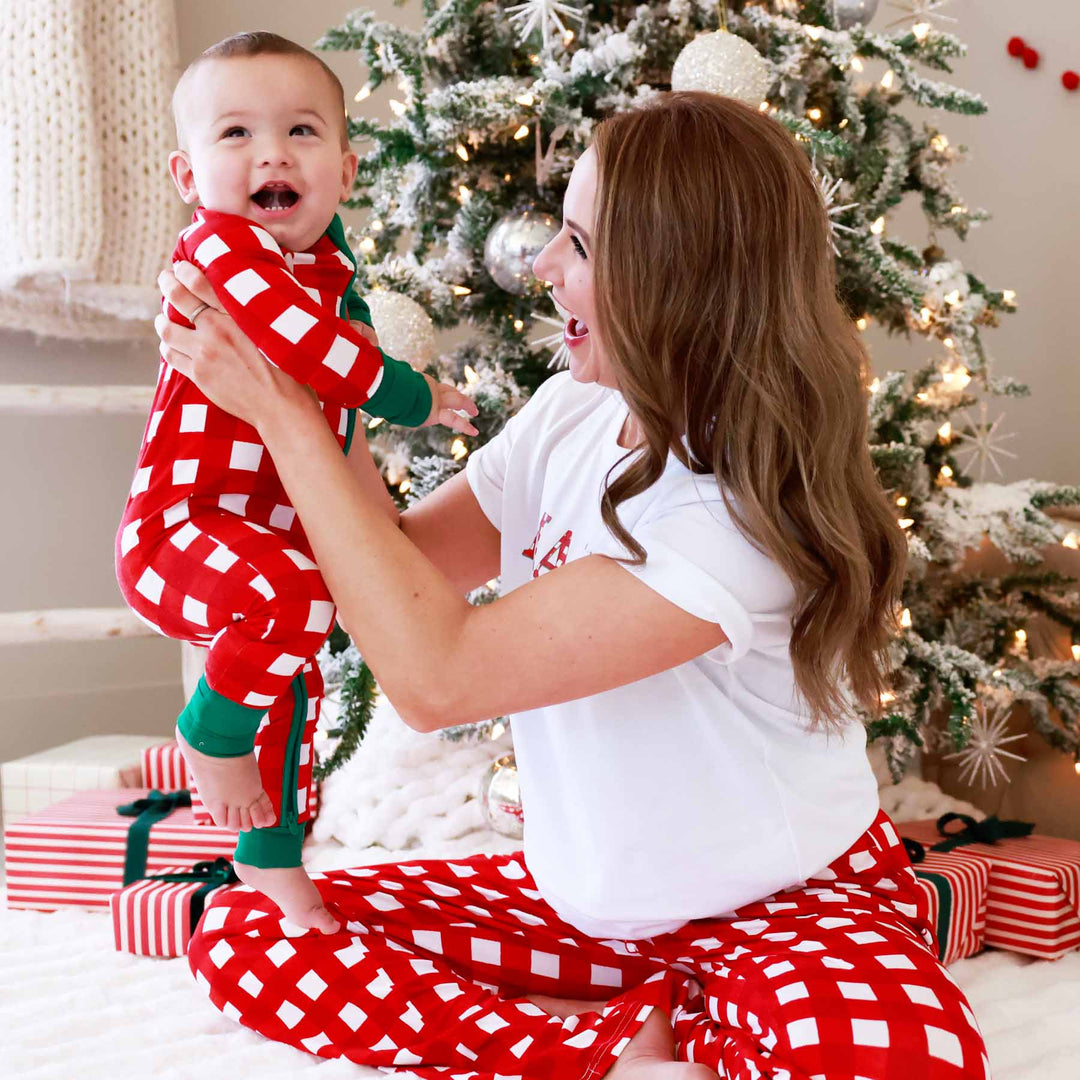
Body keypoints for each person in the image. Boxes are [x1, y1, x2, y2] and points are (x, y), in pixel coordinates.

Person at [157, 93, 991, 1079]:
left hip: (785, 907)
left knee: (898, 1063)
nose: (545, 266)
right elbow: (393, 564)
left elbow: (437, 681)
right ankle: (628, 1034)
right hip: (584, 919)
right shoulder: (570, 416)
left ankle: (648, 1022)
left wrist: (286, 415)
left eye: (582, 245)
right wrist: (307, 375)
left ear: (677, 277)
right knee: (252, 929)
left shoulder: (735, 515)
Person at [115, 31, 479, 936]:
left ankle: (273, 861)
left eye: (301, 131)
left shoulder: (334, 279)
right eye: (236, 133)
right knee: (291, 603)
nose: (272, 154)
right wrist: (414, 393)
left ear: (346, 172)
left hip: (265, 550)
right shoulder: (221, 248)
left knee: (298, 685)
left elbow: (334, 428)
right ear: (188, 175)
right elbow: (302, 346)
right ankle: (209, 734)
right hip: (178, 530)